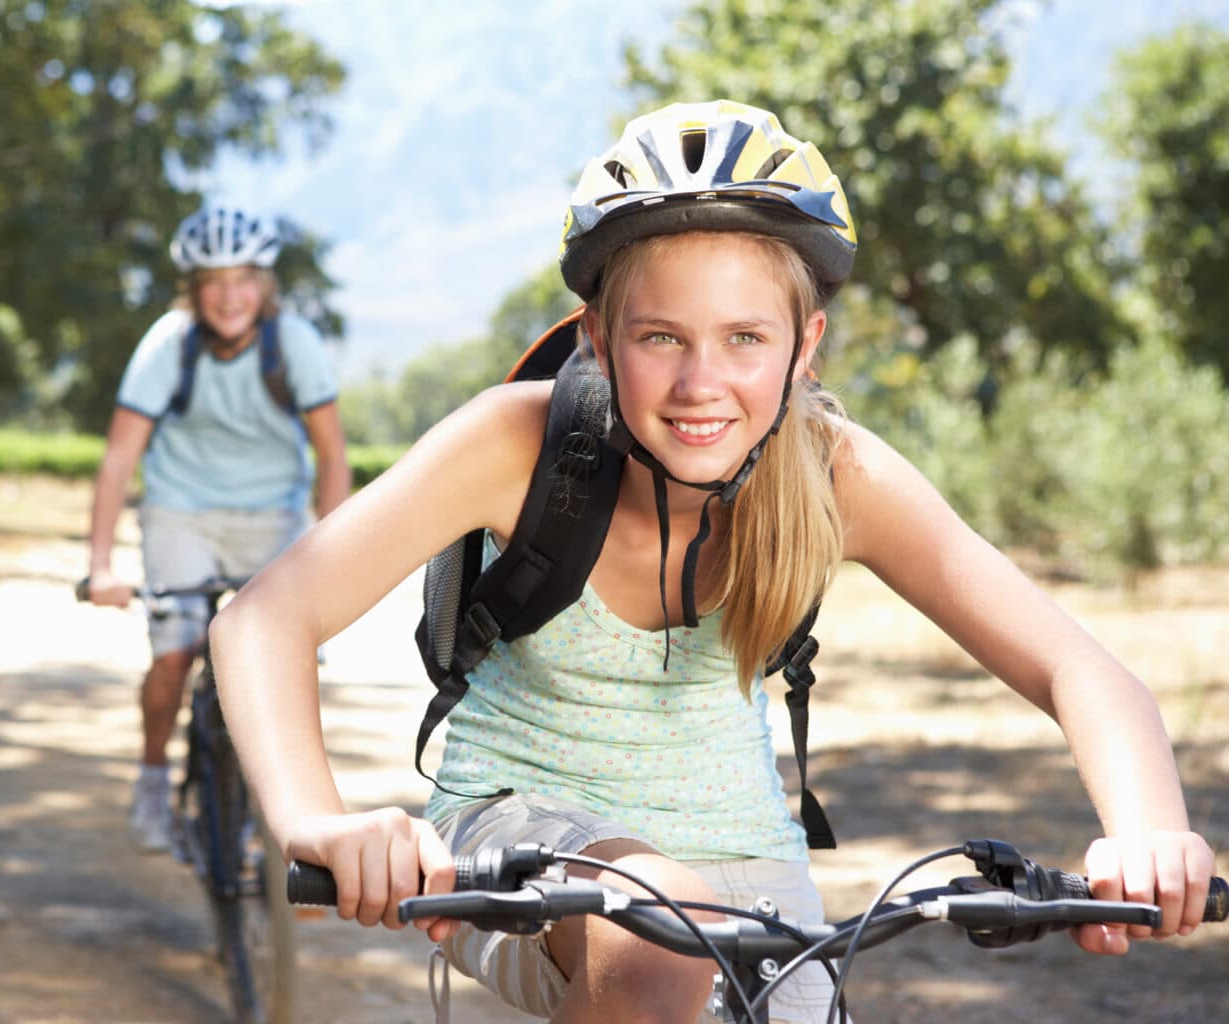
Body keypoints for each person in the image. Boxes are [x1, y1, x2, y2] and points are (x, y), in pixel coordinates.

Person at [208, 101, 1216, 1023]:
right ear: (599, 337)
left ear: (803, 345)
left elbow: (1081, 666)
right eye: (660, 335)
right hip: (519, 831)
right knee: (665, 947)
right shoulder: (517, 446)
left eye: (745, 337)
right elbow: (261, 619)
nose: (703, 382)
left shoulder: (837, 474)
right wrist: (318, 820)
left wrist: (1147, 831)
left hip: (750, 859)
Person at [85, 196, 351, 852]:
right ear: (194, 291)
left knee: (286, 663)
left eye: (242, 280)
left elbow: (332, 455)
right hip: (183, 513)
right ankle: (152, 779)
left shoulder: (294, 344)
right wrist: (99, 567)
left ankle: (291, 810)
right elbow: (120, 456)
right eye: (213, 283)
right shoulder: (167, 346)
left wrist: (336, 554)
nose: (229, 297)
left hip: (272, 517)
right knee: (174, 654)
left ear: (263, 286)